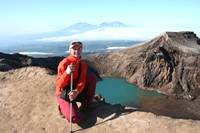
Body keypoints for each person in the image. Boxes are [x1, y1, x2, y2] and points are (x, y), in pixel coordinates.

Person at [56, 40, 101, 125]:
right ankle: (61, 107)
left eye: (79, 49)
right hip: (64, 93)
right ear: (70, 50)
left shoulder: (82, 64)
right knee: (74, 118)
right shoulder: (64, 63)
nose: (77, 51)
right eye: (74, 49)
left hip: (75, 91)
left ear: (81, 50)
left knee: (91, 78)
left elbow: (82, 81)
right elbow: (59, 85)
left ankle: (87, 102)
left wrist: (76, 91)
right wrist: (67, 73)